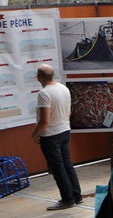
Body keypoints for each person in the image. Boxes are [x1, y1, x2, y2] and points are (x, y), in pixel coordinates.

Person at [32, 64, 81, 210]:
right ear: (53, 75)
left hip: (51, 136)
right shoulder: (63, 88)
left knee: (57, 168)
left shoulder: (44, 94)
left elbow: (45, 120)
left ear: (39, 77)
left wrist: (35, 134)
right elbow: (69, 112)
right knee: (67, 164)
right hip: (65, 131)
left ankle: (67, 199)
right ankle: (77, 196)